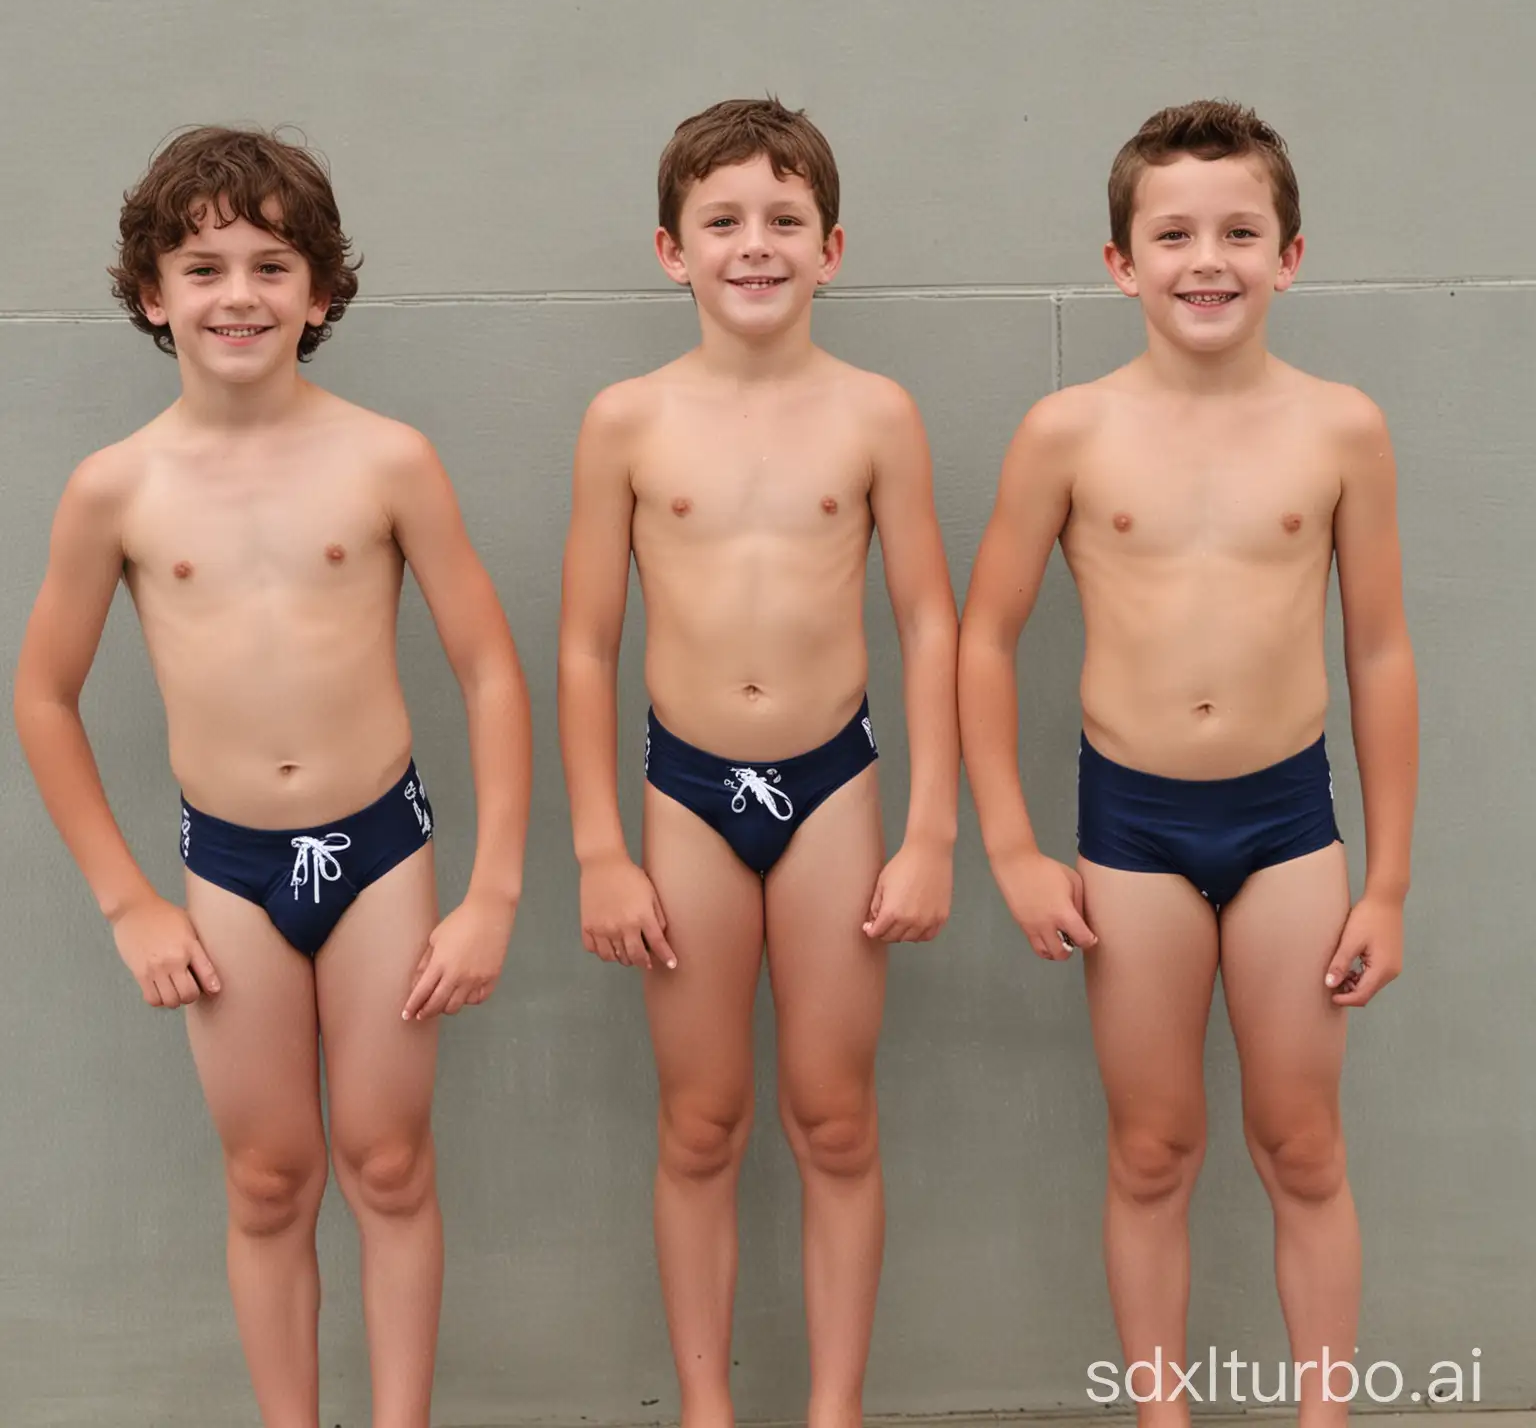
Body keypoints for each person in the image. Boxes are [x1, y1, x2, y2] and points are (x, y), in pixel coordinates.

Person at [13, 126, 532, 1428]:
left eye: (269, 263)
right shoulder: (114, 489)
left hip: (382, 858)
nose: (236, 293)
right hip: (229, 872)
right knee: (267, 1176)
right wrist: (130, 901)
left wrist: (493, 895)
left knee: (389, 1162)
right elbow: (42, 695)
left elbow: (488, 670)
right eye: (202, 266)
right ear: (152, 293)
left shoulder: (386, 459)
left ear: (320, 291)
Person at [958, 100, 1418, 1426]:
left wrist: (1386, 883)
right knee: (1154, 1146)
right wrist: (1010, 846)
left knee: (1304, 1143)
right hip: (1133, 830)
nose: (1204, 259)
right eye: (1172, 234)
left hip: (1288, 825)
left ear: (1291, 254)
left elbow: (1380, 655)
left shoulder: (1342, 429)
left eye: (1237, 231)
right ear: (1120, 262)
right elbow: (983, 640)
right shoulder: (1069, 433)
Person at [558, 97, 959, 1428]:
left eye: (784, 220)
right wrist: (600, 849)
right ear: (670, 250)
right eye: (723, 221)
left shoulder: (876, 413)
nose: (755, 244)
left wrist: (933, 830)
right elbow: (581, 644)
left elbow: (929, 622)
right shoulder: (626, 420)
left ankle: (833, 1407)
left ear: (831, 246)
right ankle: (704, 1407)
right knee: (702, 1121)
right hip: (686, 798)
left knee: (834, 1115)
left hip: (833, 785)